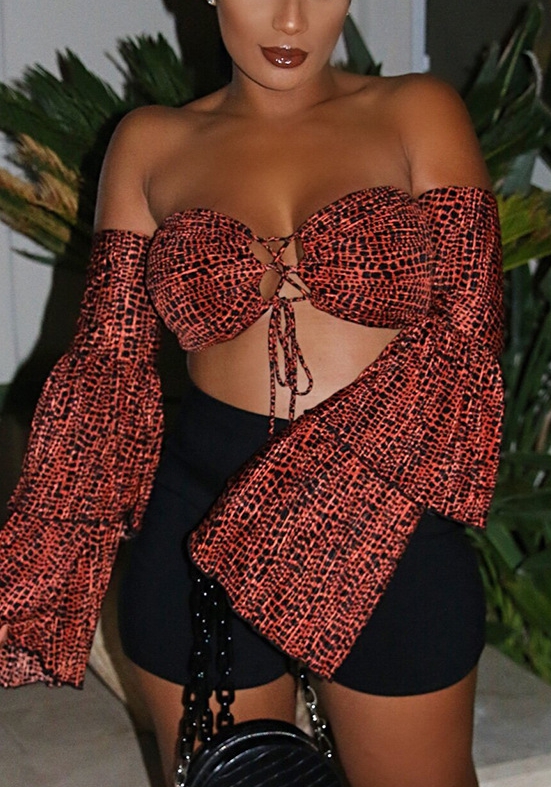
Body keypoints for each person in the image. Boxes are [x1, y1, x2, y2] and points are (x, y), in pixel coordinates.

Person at [0, 2, 504, 786]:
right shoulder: (151, 141)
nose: (291, 19)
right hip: (196, 519)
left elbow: (468, 334)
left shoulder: (415, 111)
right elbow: (107, 366)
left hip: (387, 515)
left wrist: (296, 527)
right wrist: (42, 565)